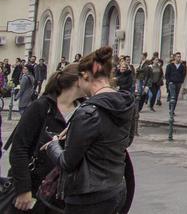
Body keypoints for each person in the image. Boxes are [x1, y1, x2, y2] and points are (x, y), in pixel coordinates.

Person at [43, 46, 136, 214]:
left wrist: (53, 145)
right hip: (116, 188)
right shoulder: (127, 104)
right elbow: (126, 140)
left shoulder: (87, 112)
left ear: (85, 75)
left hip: (88, 196)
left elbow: (67, 162)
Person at [7, 63, 85, 212]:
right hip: (34, 191)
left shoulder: (85, 112)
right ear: (78, 81)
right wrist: (23, 189)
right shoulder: (41, 107)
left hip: (64, 195)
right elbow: (19, 149)